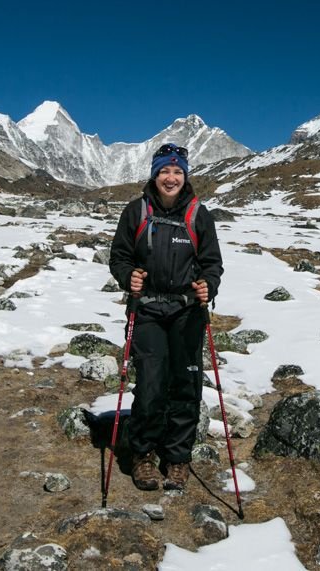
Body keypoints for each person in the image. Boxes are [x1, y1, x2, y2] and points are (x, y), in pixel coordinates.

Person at [108, 143, 224, 491]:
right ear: (155, 175)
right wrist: (128, 277)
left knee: (186, 386)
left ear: (184, 176)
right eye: (164, 171)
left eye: (177, 171)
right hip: (147, 311)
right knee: (151, 384)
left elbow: (212, 263)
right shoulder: (135, 211)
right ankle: (143, 454)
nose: (170, 178)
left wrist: (209, 286)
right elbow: (119, 256)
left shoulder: (198, 215)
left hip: (188, 312)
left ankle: (177, 457)